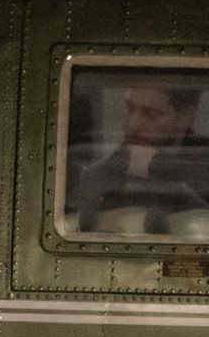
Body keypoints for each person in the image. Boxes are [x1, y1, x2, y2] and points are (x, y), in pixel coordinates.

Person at [67, 84, 209, 234]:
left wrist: (167, 174)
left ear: (185, 117)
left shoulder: (202, 176)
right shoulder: (96, 177)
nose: (132, 125)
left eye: (151, 115)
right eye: (130, 109)